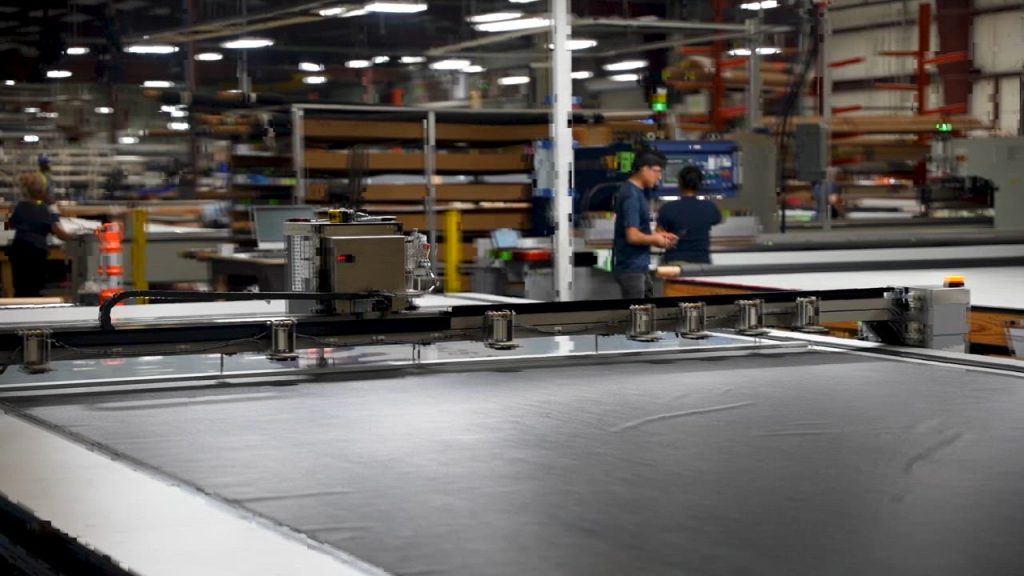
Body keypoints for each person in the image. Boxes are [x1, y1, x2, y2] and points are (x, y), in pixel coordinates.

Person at [613, 149, 678, 299]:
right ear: (644, 168)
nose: (659, 177)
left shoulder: (637, 192)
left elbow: (638, 231)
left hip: (638, 266)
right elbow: (632, 236)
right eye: (657, 171)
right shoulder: (631, 196)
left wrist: (659, 235)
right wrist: (655, 240)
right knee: (637, 316)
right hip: (631, 269)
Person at [7, 172, 74, 297]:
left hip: (18, 249)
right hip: (35, 252)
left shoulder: (20, 206)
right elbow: (58, 232)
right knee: (34, 288)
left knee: (20, 287)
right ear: (42, 191)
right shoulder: (44, 209)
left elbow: (10, 224)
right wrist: (75, 238)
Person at [657, 166, 723, 266]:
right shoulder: (710, 207)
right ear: (700, 184)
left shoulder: (668, 208)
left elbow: (658, 236)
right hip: (702, 263)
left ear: (680, 183)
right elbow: (718, 220)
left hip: (675, 263)